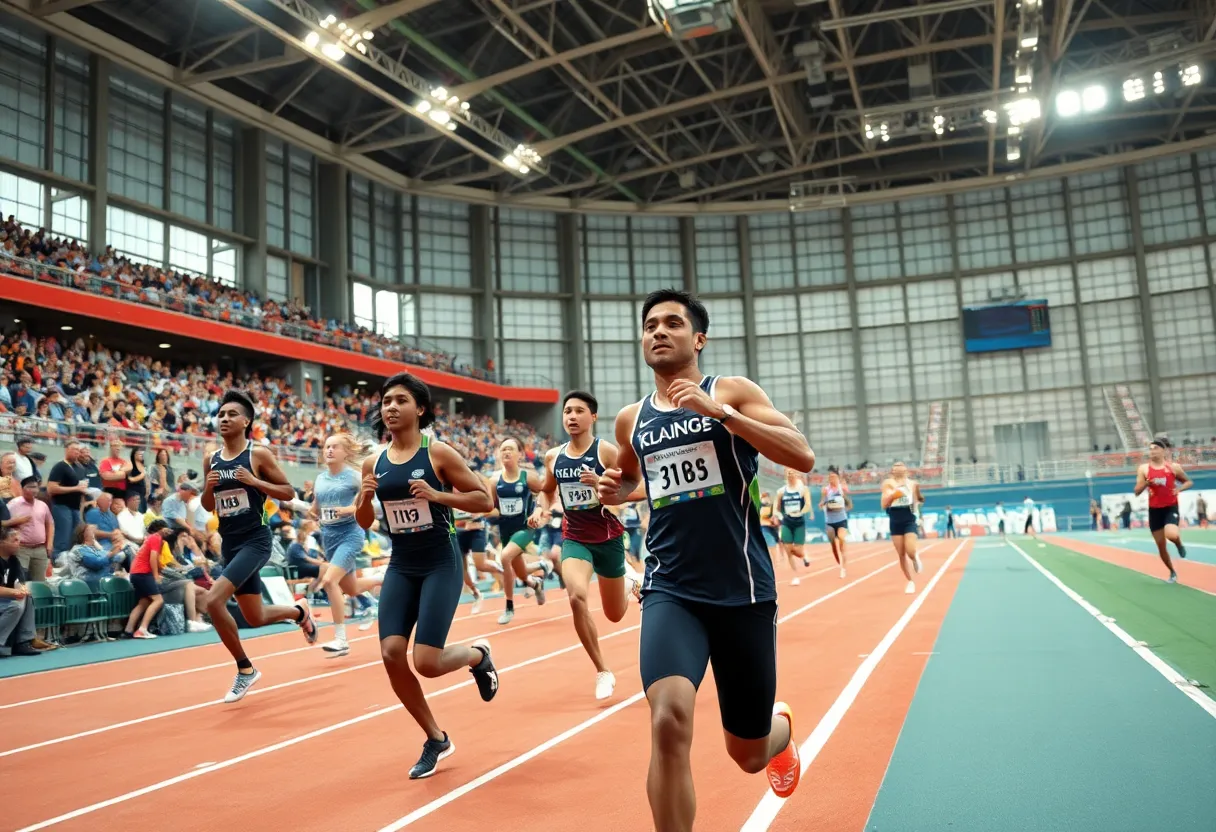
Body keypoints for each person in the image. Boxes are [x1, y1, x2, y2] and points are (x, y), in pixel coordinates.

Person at [596, 288, 812, 830]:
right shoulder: (632, 419)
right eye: (650, 325)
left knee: (749, 754)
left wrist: (722, 415)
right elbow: (630, 477)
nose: (659, 331)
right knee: (667, 722)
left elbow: (801, 455)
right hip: (672, 589)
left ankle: (777, 729)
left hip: (743, 591)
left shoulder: (732, 391)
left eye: (672, 323)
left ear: (698, 339)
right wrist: (616, 490)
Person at [355, 372, 500, 780]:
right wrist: (364, 497)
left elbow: (484, 499)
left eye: (400, 400)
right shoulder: (374, 461)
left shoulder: (438, 453)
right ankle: (436, 738)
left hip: (441, 560)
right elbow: (365, 521)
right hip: (402, 563)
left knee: (428, 662)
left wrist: (439, 496)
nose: (391, 407)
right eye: (386, 401)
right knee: (389, 654)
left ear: (419, 408)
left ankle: (478, 656)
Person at [201, 390, 318, 703]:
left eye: (231, 414)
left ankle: (245, 669)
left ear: (246, 421)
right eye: (221, 414)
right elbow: (208, 504)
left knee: (213, 601)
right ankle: (299, 611)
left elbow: (287, 491)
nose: (224, 419)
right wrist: (208, 487)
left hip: (256, 540)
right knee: (254, 616)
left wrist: (255, 482)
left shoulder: (258, 454)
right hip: (230, 543)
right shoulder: (210, 458)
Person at [532, 391, 642, 701]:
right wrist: (540, 508)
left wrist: (603, 485)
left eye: (579, 411)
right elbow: (547, 490)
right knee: (577, 596)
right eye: (567, 411)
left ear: (593, 417)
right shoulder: (553, 457)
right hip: (575, 537)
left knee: (615, 615)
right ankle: (602, 670)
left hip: (607, 539)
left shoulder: (606, 452)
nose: (572, 416)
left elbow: (635, 485)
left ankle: (629, 580)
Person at [313, 433, 383, 657]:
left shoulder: (355, 477)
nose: (329, 450)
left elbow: (372, 507)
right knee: (350, 588)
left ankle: (341, 639)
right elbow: (316, 507)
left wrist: (349, 510)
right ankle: (386, 577)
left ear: (346, 452)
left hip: (350, 535)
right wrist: (311, 511)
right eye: (326, 447)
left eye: (334, 447)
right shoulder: (320, 478)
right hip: (329, 537)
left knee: (328, 580)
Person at [491, 437, 550, 625]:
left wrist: (538, 510)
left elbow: (545, 491)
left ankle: (509, 607)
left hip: (525, 528)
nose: (506, 452)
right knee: (521, 573)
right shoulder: (494, 481)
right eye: (503, 449)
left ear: (520, 454)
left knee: (505, 557)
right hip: (505, 530)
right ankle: (535, 583)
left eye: (510, 449)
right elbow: (493, 506)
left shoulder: (527, 477)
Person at [1134, 437, 1190, 583]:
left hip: (1170, 507)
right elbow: (1137, 491)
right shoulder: (1144, 469)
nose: (1152, 452)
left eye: (1156, 448)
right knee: (1161, 546)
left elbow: (1188, 481)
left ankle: (1178, 544)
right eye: (1150, 449)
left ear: (1163, 451)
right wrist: (1146, 483)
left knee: (1171, 534)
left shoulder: (1173, 467)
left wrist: (1179, 489)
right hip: (1155, 510)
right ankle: (1172, 571)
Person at [881, 461, 923, 594]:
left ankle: (915, 557)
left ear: (906, 470)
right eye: (895, 466)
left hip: (909, 518)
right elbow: (883, 504)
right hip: (894, 519)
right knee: (901, 554)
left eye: (901, 465)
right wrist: (893, 496)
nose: (898, 467)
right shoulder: (888, 483)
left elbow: (917, 501)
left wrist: (918, 515)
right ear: (892, 471)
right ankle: (910, 581)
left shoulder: (913, 484)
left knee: (910, 550)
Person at [0, 527, 43, 658]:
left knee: (27, 598)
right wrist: (15, 592)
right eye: (14, 540)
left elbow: (20, 583)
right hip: (3, 599)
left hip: (5, 599)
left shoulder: (14, 560)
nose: (19, 542)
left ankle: (23, 641)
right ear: (1, 542)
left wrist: (23, 589)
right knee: (16, 606)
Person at [7, 476, 52, 584]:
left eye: (35, 487)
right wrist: (16, 522)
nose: (34, 490)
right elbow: (4, 525)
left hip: (40, 549)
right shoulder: (13, 505)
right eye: (30, 487)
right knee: (20, 581)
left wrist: (49, 544)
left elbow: (50, 524)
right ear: (22, 489)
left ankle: (36, 601)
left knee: (40, 583)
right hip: (21, 549)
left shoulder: (43, 505)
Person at [773, 468, 811, 584]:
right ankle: (795, 576)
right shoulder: (781, 491)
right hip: (787, 522)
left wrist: (801, 512)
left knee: (797, 550)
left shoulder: (803, 490)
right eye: (788, 473)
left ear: (797, 475)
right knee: (788, 550)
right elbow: (776, 507)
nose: (791, 475)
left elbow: (808, 504)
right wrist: (778, 514)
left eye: (793, 473)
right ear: (786, 475)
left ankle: (804, 556)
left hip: (799, 522)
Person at [819, 469, 851, 579]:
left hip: (841, 519)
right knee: (833, 544)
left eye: (834, 477)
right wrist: (823, 504)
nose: (832, 479)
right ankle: (839, 562)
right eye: (830, 477)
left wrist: (842, 493)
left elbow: (847, 498)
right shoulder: (825, 490)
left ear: (838, 478)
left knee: (842, 539)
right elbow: (822, 502)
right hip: (830, 520)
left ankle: (843, 567)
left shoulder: (842, 488)